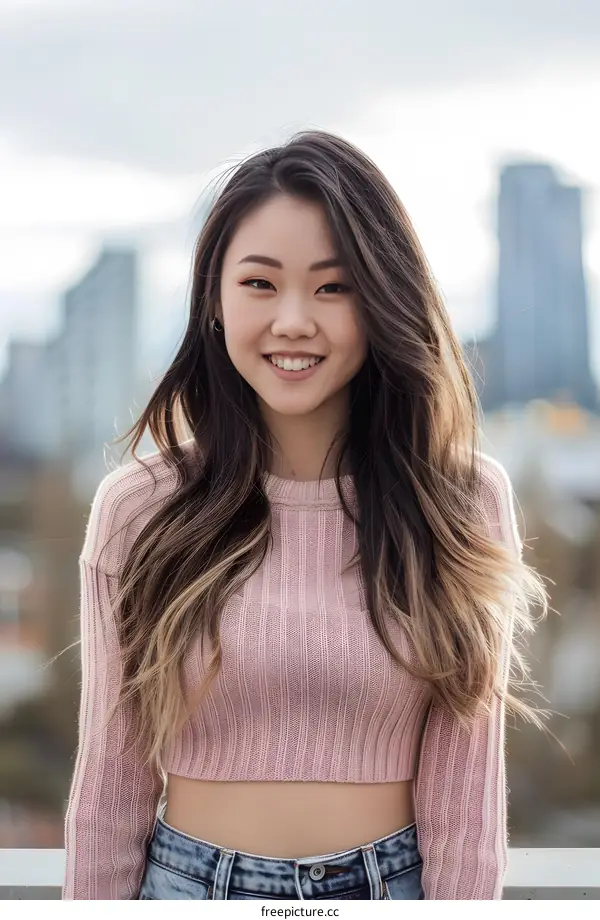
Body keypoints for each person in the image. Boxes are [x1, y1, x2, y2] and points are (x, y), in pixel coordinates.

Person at [62, 129, 549, 900]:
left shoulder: (460, 501)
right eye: (259, 283)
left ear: (383, 300)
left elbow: (467, 811)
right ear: (214, 303)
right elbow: (109, 789)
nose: (293, 320)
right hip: (185, 889)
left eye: (332, 286)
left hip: (390, 891)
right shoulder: (140, 508)